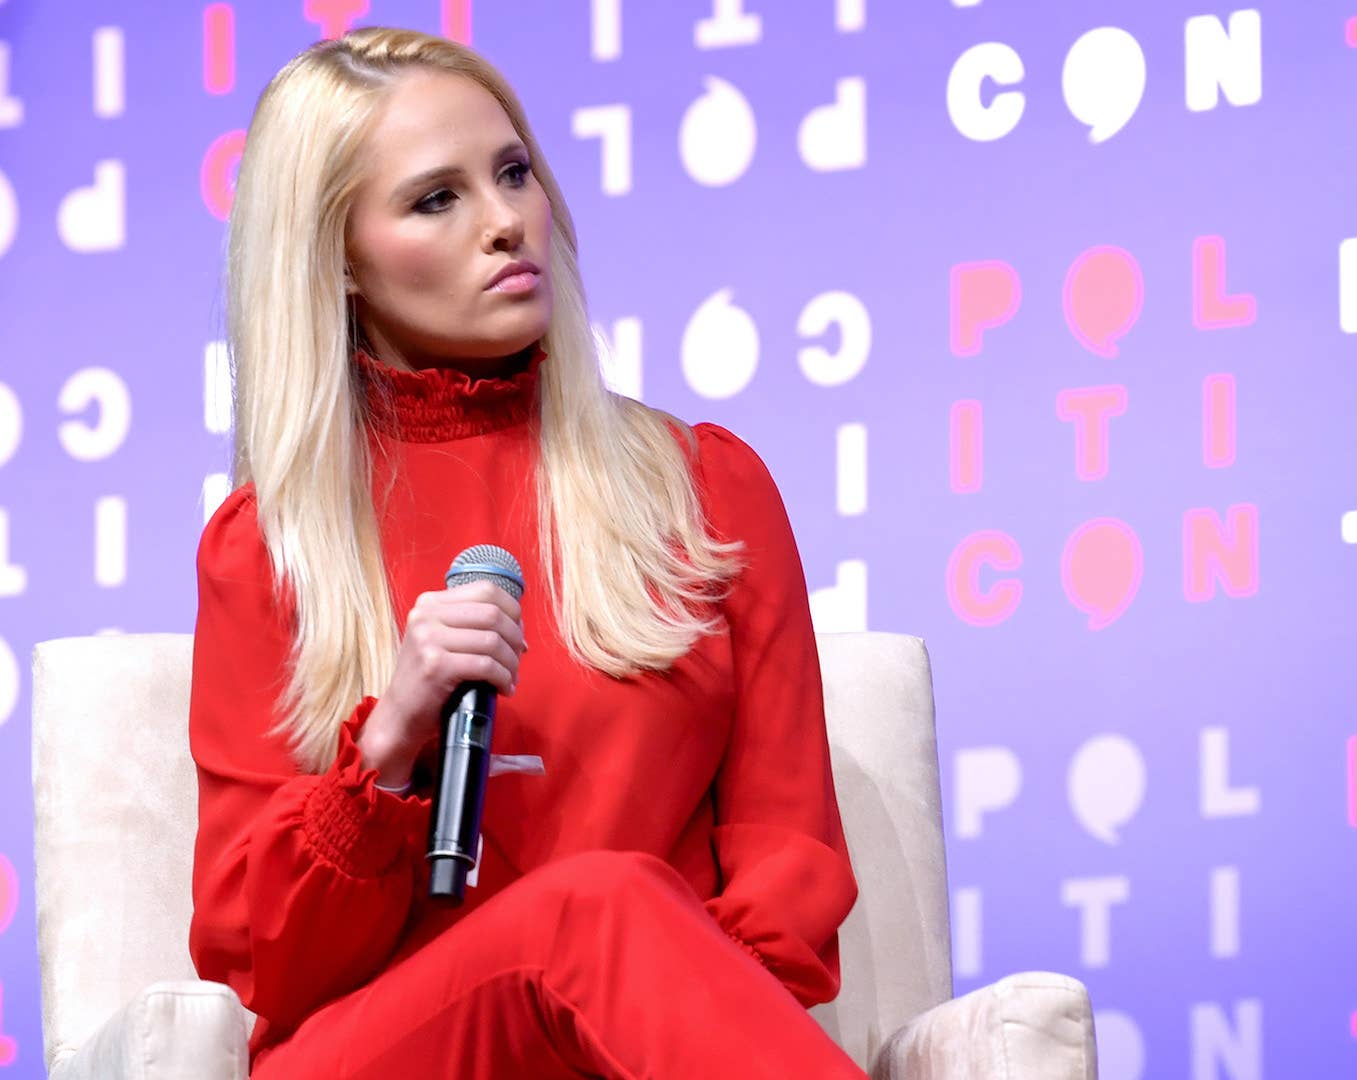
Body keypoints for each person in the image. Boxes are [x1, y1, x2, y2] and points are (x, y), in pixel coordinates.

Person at [186, 26, 863, 1079]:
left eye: (513, 173)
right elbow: (259, 960)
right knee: (596, 905)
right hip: (384, 1051)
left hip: (644, 1043)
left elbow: (790, 859)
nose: (507, 222)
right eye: (436, 199)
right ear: (341, 263)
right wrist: (387, 747)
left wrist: (672, 1013)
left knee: (609, 914)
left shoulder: (706, 490)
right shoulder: (269, 545)